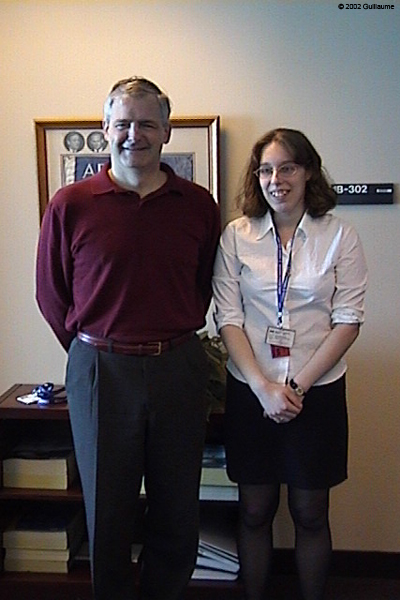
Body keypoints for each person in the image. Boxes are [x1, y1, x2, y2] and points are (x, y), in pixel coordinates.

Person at [36, 77, 220, 600]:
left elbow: (204, 282)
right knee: (107, 509)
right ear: (105, 130)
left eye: (146, 123)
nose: (133, 134)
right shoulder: (72, 203)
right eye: (122, 123)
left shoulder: (198, 204)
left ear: (165, 130)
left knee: (177, 508)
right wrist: (89, 350)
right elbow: (51, 293)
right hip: (100, 369)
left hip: (178, 365)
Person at [212, 128, 367, 600]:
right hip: (250, 392)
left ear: (308, 172)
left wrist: (294, 387)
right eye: (265, 169)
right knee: (254, 510)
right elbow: (228, 317)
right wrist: (263, 387)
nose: (275, 179)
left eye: (287, 167)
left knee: (310, 513)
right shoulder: (237, 236)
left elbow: (348, 320)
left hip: (315, 394)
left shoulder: (340, 235)